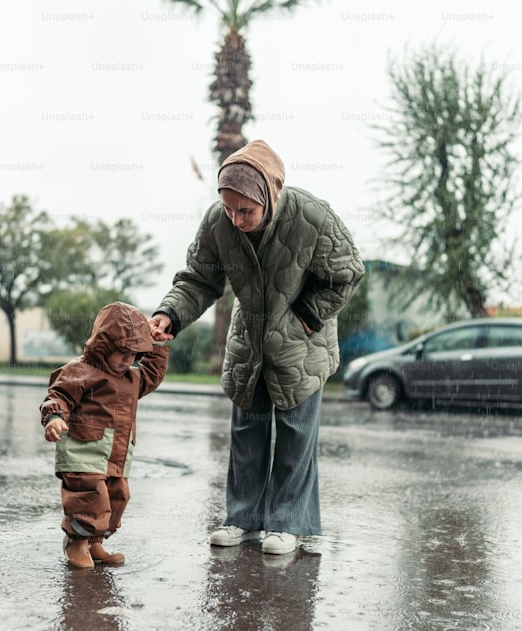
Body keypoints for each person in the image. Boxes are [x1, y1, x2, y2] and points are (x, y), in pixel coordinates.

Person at [148, 139, 365, 555]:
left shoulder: (312, 218)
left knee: (295, 436)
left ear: (270, 193)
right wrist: (169, 314)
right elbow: (198, 279)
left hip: (303, 345)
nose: (236, 218)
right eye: (229, 208)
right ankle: (243, 519)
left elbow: (348, 273)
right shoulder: (218, 223)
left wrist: (304, 316)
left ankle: (288, 524)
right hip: (249, 344)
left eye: (245, 210)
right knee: (246, 434)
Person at [40, 302, 169, 569]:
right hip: (83, 450)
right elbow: (59, 395)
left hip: (116, 454)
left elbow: (152, 375)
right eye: (121, 352)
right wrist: (54, 417)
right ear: (104, 344)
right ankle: (76, 543)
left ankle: (95, 542)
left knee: (115, 496)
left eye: (134, 354)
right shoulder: (81, 370)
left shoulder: (132, 377)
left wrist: (156, 348)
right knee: (88, 497)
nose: (127, 360)